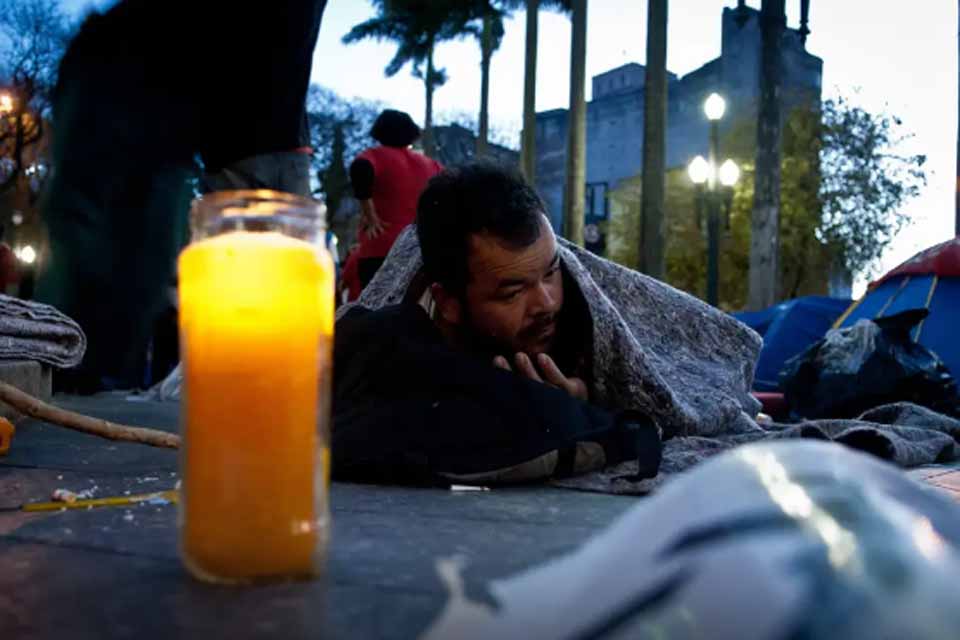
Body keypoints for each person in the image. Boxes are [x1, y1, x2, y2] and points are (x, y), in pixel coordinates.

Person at [37, 0, 327, 392]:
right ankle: (73, 366)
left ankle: (89, 369)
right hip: (147, 80)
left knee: (133, 233)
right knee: (102, 228)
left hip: (212, 118)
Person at [332, 164, 663, 485]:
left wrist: (586, 400)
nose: (546, 303)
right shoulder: (390, 346)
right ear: (448, 302)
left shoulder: (578, 303)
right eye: (513, 292)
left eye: (551, 273)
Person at [349, 109, 442, 290]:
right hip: (419, 252)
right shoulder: (431, 165)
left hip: (379, 248)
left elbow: (360, 169)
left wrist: (370, 214)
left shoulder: (375, 156)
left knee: (375, 311)